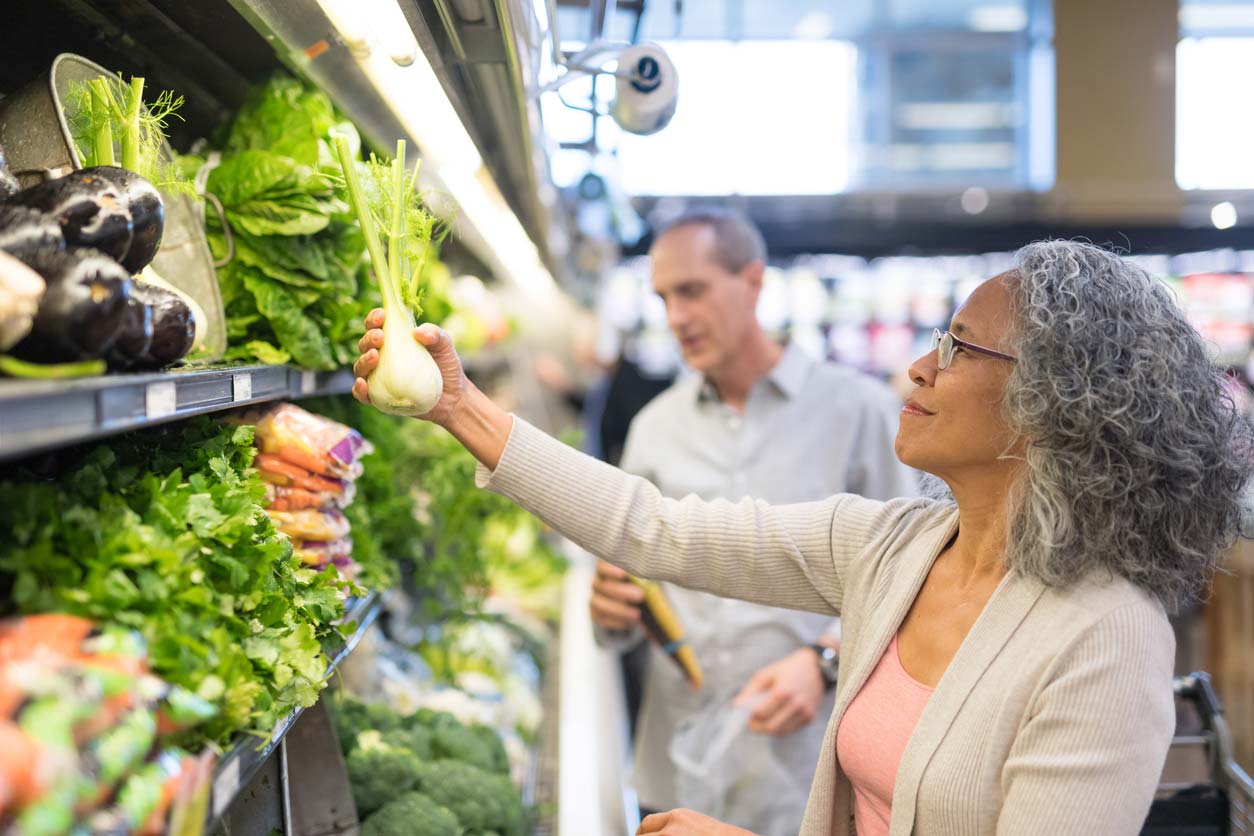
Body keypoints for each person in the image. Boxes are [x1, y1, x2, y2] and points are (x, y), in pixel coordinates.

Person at [352, 239, 1252, 836]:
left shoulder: (1107, 634)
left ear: (1053, 403)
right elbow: (657, 528)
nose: (919, 364)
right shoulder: (895, 549)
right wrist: (459, 407)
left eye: (960, 346)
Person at [588, 208, 914, 834]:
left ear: (754, 282)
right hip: (679, 767)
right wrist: (610, 613)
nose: (676, 318)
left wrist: (825, 660)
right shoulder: (654, 428)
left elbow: (915, 587)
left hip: (807, 774)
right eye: (663, 297)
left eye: (693, 290)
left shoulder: (860, 412)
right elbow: (626, 591)